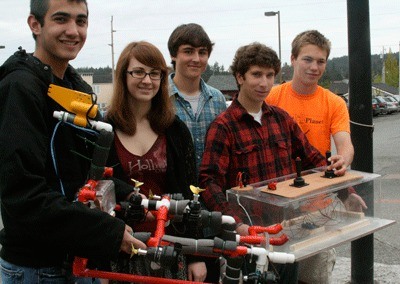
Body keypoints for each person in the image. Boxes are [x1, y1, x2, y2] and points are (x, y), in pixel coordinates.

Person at [0, 1, 146, 283]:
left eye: (81, 21)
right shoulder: (19, 88)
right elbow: (23, 198)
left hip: (80, 259)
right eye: (61, 19)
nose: (73, 30)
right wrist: (108, 232)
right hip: (38, 269)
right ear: (35, 24)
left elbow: (87, 170)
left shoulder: (76, 87)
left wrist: (128, 193)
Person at [199, 42, 333, 283]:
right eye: (256, 75)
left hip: (285, 232)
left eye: (270, 75)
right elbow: (209, 182)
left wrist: (346, 189)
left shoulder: (282, 119)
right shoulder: (223, 126)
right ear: (240, 77)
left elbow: (314, 159)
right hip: (249, 240)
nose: (264, 83)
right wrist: (235, 224)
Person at [265, 30, 367, 284]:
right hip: (274, 205)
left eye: (321, 61)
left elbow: (345, 144)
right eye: (307, 59)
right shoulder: (273, 96)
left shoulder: (333, 102)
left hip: (316, 210)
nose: (314, 67)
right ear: (293, 59)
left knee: (314, 277)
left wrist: (343, 160)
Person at [105, 41, 206, 282]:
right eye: (138, 72)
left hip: (171, 247)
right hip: (120, 250)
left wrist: (196, 254)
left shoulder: (176, 131)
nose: (147, 80)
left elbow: (192, 193)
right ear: (123, 75)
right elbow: (99, 188)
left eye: (155, 73)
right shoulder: (105, 129)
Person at [168, 23, 227, 174]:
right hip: (174, 194)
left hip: (212, 192)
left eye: (202, 52)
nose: (196, 59)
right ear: (173, 55)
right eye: (188, 51)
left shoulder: (218, 100)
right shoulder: (159, 99)